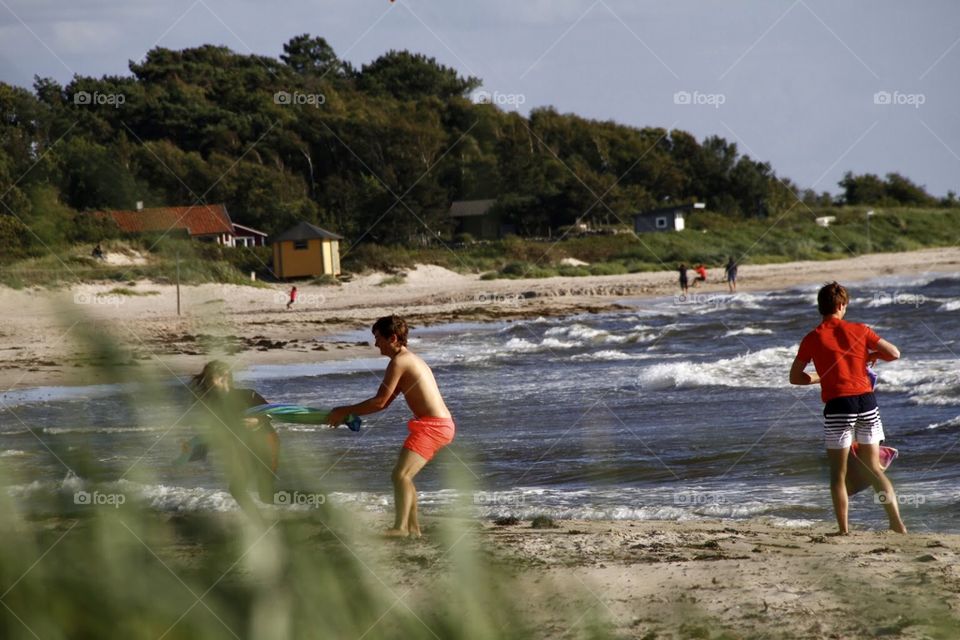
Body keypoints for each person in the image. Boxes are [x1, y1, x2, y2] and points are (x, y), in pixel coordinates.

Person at [789, 282, 906, 535]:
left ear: (821, 307)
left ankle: (844, 530)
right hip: (866, 401)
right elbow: (894, 353)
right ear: (842, 305)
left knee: (838, 474)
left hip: (839, 405)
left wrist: (823, 377)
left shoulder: (812, 337)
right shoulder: (860, 329)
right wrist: (869, 357)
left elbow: (795, 377)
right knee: (874, 468)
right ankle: (896, 523)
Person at [327, 315, 455, 539]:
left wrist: (343, 411)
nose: (376, 344)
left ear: (393, 337)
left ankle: (401, 528)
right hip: (436, 425)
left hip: (433, 427)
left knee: (400, 475)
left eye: (378, 338)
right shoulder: (407, 360)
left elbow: (379, 401)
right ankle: (413, 530)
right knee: (404, 475)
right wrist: (347, 412)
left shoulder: (400, 362)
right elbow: (384, 403)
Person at [189, 360, 279, 516]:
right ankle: (259, 522)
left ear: (225, 377)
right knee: (237, 489)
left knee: (266, 495)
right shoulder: (214, 404)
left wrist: (257, 420)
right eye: (207, 378)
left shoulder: (248, 395)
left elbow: (273, 413)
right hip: (247, 449)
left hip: (266, 444)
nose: (207, 382)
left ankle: (315, 501)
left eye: (211, 378)